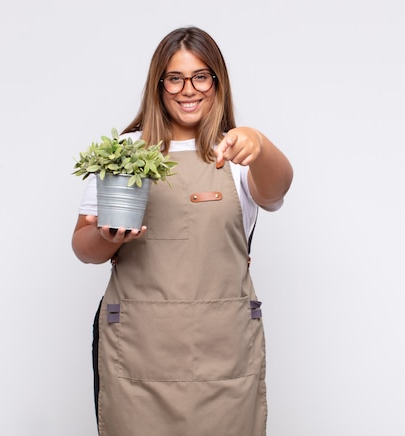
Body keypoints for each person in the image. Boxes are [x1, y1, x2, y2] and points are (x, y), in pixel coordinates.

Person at [72, 26, 293, 436]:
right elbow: (84, 248)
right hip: (139, 351)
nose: (187, 89)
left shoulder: (238, 152)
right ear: (159, 85)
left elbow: (277, 189)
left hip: (222, 354)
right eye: (174, 77)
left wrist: (260, 144)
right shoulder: (126, 153)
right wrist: (107, 237)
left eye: (200, 76)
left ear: (217, 82)